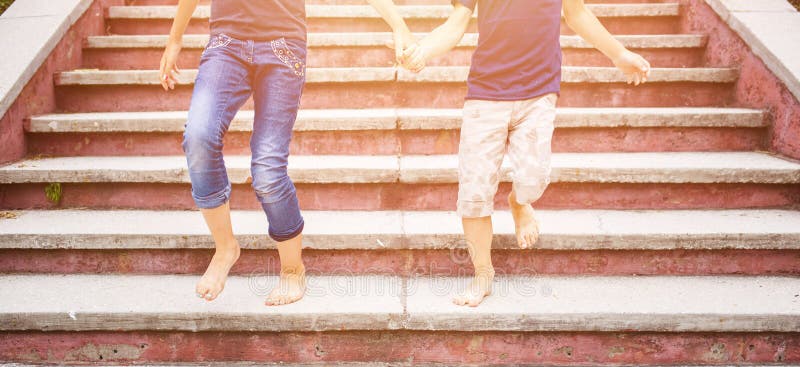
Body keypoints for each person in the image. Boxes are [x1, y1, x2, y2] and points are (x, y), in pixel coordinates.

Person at [159, 0, 416, 305]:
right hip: (226, 42)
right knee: (198, 136)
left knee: (267, 169)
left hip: (283, 46)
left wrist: (399, 25)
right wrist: (175, 39)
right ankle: (225, 247)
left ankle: (293, 269)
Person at [400, 0, 651, 306]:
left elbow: (577, 13)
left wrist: (619, 54)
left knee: (534, 178)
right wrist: (424, 50)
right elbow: (457, 23)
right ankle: (483, 273)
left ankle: (519, 203)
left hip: (538, 92)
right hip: (486, 94)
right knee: (474, 192)